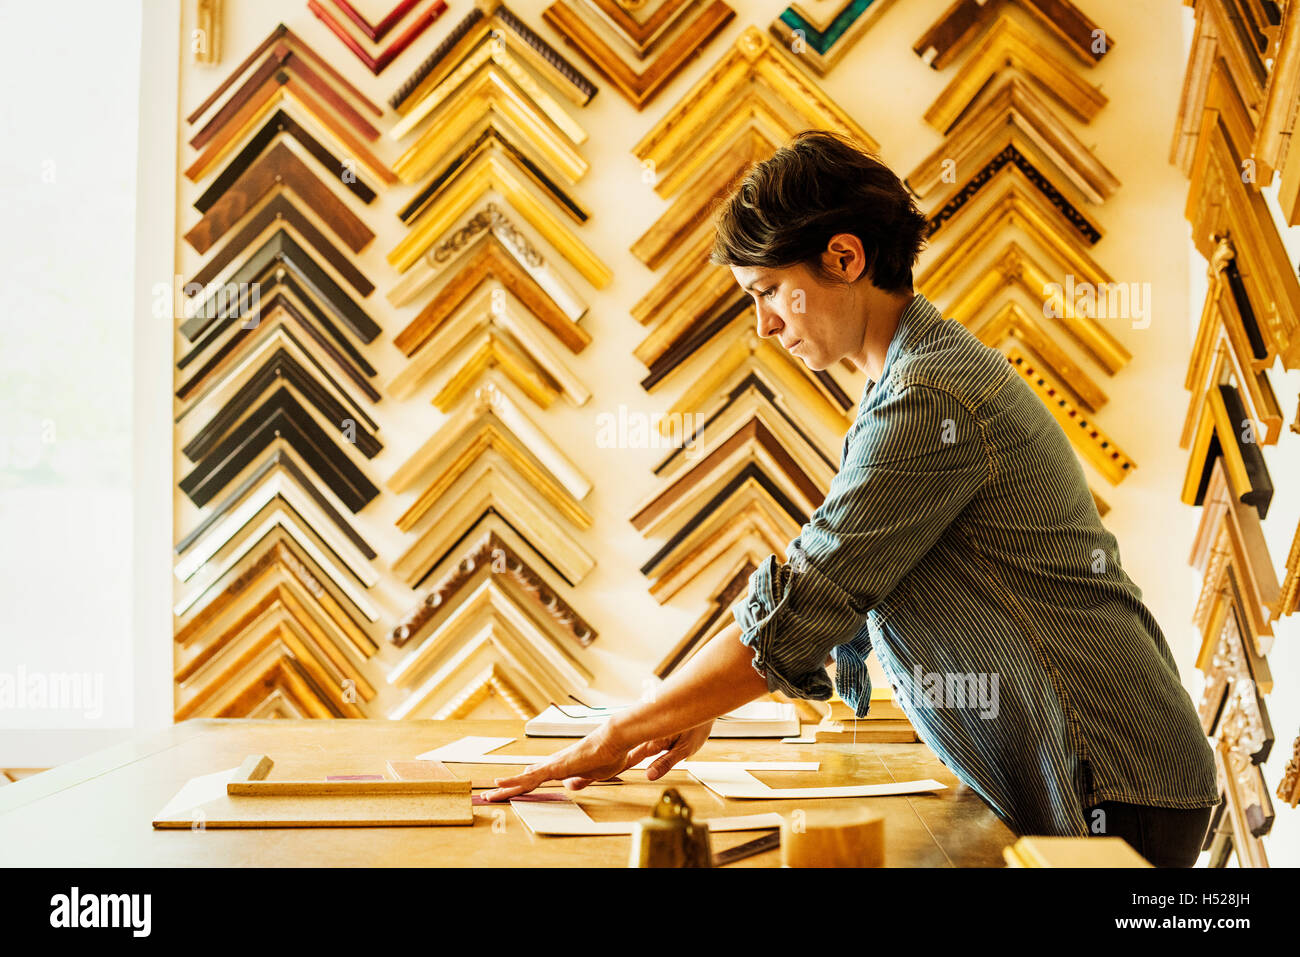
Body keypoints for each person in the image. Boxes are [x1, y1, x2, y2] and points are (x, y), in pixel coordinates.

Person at [482, 129, 1221, 866]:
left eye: (769, 292)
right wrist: (694, 703)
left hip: (1112, 779)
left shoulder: (929, 396)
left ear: (844, 257)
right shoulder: (908, 381)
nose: (766, 325)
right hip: (1116, 766)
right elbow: (837, 595)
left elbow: (809, 600)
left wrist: (618, 733)